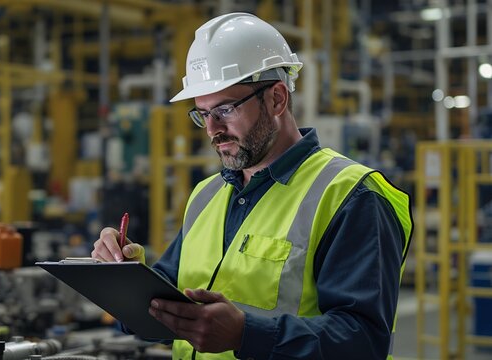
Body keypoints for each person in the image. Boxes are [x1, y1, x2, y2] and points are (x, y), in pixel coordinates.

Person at [91, 12, 412, 360]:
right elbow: (166, 312)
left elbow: (364, 342)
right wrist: (125, 278)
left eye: (225, 109)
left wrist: (246, 335)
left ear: (277, 99)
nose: (213, 129)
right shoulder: (206, 195)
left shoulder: (351, 197)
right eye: (203, 114)